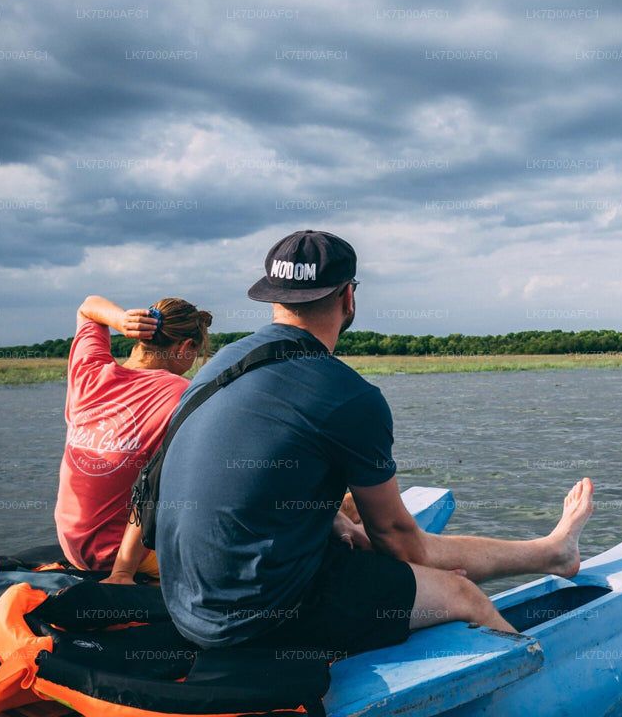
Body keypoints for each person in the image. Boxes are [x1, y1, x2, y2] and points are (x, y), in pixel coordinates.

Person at [155, 230, 594, 656]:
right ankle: (542, 640)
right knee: (461, 593)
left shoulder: (222, 363)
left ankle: (551, 553)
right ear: (348, 297)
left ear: (273, 299)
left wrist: (339, 526)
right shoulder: (347, 394)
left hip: (186, 602)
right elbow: (399, 542)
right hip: (257, 618)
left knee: (358, 528)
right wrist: (418, 571)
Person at [55, 295, 211, 583]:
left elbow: (88, 307)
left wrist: (120, 320)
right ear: (184, 347)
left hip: (72, 547)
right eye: (196, 353)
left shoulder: (89, 372)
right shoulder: (180, 394)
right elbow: (153, 490)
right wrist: (123, 571)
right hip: (118, 558)